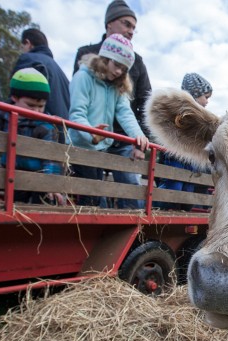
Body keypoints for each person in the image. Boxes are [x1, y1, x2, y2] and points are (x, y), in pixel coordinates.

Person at [72, 0, 151, 209]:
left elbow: (126, 110)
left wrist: (139, 136)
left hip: (111, 141)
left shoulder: (118, 83)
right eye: (127, 24)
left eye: (124, 69)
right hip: (87, 143)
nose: (119, 72)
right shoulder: (84, 76)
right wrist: (90, 133)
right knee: (94, 195)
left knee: (126, 191)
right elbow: (77, 112)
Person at [0, 68, 65, 205]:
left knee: (46, 201)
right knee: (13, 206)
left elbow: (50, 158)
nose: (37, 111)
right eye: (31, 105)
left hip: (39, 176)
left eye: (41, 106)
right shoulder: (0, 116)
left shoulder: (46, 124)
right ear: (15, 98)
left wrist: (51, 184)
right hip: (12, 174)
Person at [156, 73, 213, 211]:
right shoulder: (179, 110)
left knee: (187, 193)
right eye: (206, 97)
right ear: (195, 94)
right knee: (174, 188)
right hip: (176, 156)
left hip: (190, 159)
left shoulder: (200, 116)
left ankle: (182, 211)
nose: (207, 102)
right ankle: (157, 207)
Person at [13, 28, 70, 124]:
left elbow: (16, 96)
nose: (22, 51)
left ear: (28, 43)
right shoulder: (61, 73)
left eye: (22, 47)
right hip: (60, 131)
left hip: (37, 129)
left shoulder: (28, 59)